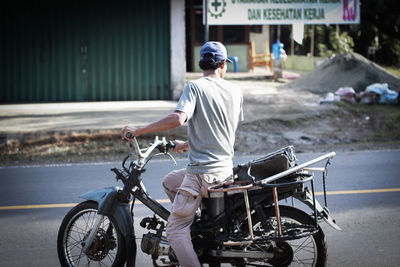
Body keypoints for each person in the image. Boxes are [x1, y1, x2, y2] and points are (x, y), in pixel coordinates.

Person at [121, 41, 243, 267]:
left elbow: (178, 118)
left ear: (201, 64)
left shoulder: (194, 87)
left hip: (201, 175)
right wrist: (186, 144)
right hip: (224, 171)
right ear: (223, 65)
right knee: (169, 181)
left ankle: (187, 236)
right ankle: (200, 227)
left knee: (175, 229)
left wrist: (139, 130)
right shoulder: (235, 91)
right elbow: (227, 135)